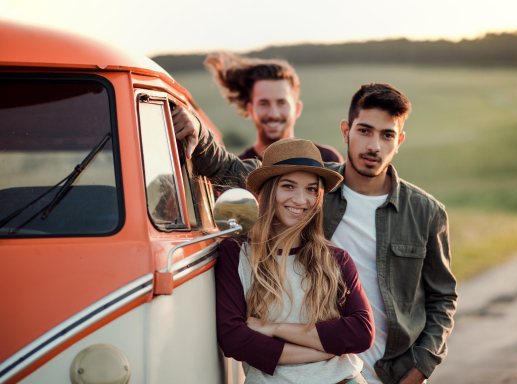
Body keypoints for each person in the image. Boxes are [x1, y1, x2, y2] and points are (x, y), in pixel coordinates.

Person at [174, 83, 458, 384]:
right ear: (346, 131)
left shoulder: (426, 212)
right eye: (364, 130)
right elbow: (230, 167)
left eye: (387, 134)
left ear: (399, 140)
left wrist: (421, 368)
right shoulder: (312, 185)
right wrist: (198, 134)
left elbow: (442, 297)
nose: (374, 145)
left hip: (389, 373)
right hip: (311, 367)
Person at [216, 137, 375, 383]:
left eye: (312, 189)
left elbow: (361, 333)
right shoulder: (235, 254)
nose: (301, 200)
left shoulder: (336, 259)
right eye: (288, 186)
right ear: (267, 191)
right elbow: (234, 339)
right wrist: (321, 350)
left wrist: (274, 328)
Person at [201, 52, 343, 162]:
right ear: (250, 110)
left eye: (282, 103)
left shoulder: (326, 160)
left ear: (297, 109)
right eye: (264, 103)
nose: (273, 114)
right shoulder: (235, 169)